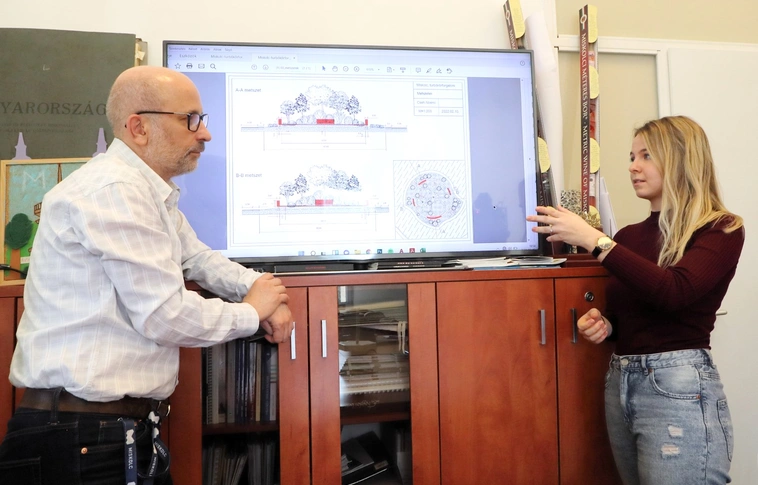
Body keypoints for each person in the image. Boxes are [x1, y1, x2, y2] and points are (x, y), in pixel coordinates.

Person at [0, 66, 294, 485]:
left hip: (108, 433)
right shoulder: (114, 191)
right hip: (83, 438)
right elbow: (164, 315)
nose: (205, 134)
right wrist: (252, 312)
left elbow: (198, 258)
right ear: (139, 128)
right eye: (190, 119)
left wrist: (259, 289)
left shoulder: (146, 193)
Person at [527, 115, 744, 485]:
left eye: (646, 156)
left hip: (677, 385)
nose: (633, 166)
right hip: (621, 381)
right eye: (631, 157)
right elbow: (636, 310)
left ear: (680, 160)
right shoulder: (628, 237)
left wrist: (593, 240)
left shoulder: (720, 228)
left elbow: (675, 292)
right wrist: (607, 325)